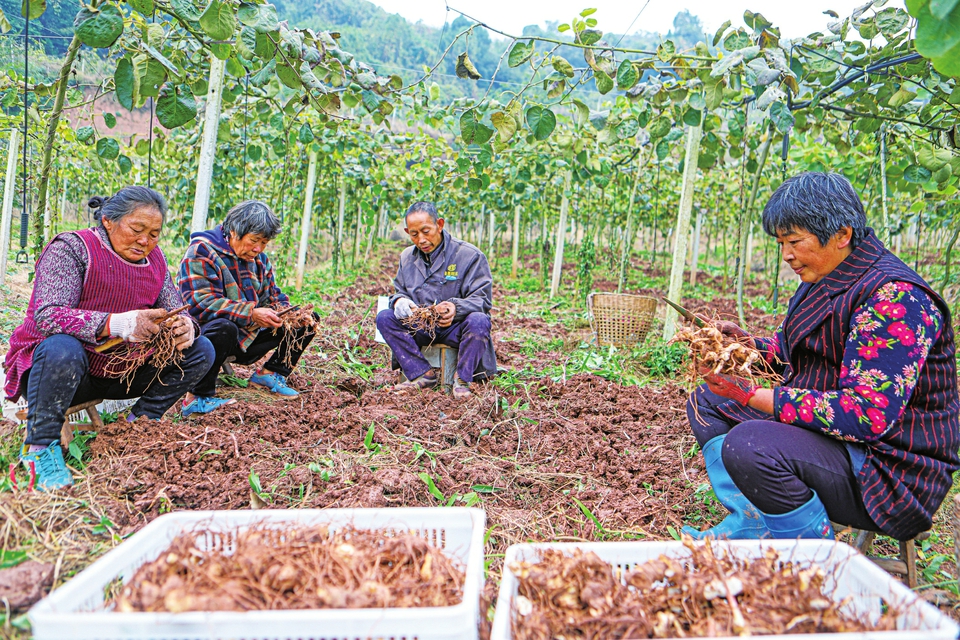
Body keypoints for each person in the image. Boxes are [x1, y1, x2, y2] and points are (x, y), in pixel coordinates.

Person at [681, 172, 958, 542]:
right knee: (708, 402)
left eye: (794, 241)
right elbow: (790, 354)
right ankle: (753, 518)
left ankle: (811, 556)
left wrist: (749, 395)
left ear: (842, 235)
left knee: (750, 445)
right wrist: (743, 348)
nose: (786, 255)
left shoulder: (895, 299)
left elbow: (865, 414)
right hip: (835, 436)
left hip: (888, 469)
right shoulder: (823, 277)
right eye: (781, 243)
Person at [4, 187, 215, 491]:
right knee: (62, 347)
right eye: (137, 230)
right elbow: (48, 315)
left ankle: (139, 423)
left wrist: (186, 327)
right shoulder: (72, 248)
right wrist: (120, 323)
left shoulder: (155, 260)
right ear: (108, 220)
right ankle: (40, 446)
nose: (145, 241)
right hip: (61, 374)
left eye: (154, 234)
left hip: (122, 370)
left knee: (201, 349)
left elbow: (175, 307)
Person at [179, 200, 316, 408]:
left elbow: (272, 296)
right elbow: (199, 303)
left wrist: (287, 313)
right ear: (234, 232)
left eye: (264, 243)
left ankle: (269, 374)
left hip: (247, 336)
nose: (258, 248)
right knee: (224, 327)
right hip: (206, 338)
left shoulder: (260, 260)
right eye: (254, 240)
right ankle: (196, 397)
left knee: (305, 321)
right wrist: (250, 313)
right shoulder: (202, 252)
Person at [376, 201, 497, 398]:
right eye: (414, 234)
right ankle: (422, 374)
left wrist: (456, 308)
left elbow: (482, 299)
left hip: (455, 329)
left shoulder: (469, 256)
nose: (421, 239)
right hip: (420, 327)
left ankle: (462, 379)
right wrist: (400, 302)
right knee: (384, 318)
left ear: (439, 225)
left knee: (479, 321)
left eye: (426, 231)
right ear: (407, 232)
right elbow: (399, 291)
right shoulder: (407, 257)